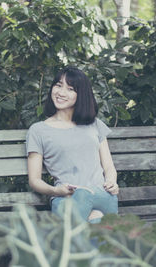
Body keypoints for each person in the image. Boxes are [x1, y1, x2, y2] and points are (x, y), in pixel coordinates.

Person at [26, 66, 119, 223]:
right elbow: (34, 180)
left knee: (86, 198)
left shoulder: (95, 125)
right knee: (94, 218)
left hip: (100, 195)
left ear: (80, 95)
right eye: (58, 85)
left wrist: (111, 182)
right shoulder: (38, 130)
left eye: (70, 89)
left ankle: (69, 238)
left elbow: (109, 167)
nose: (61, 93)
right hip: (66, 198)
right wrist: (56, 190)